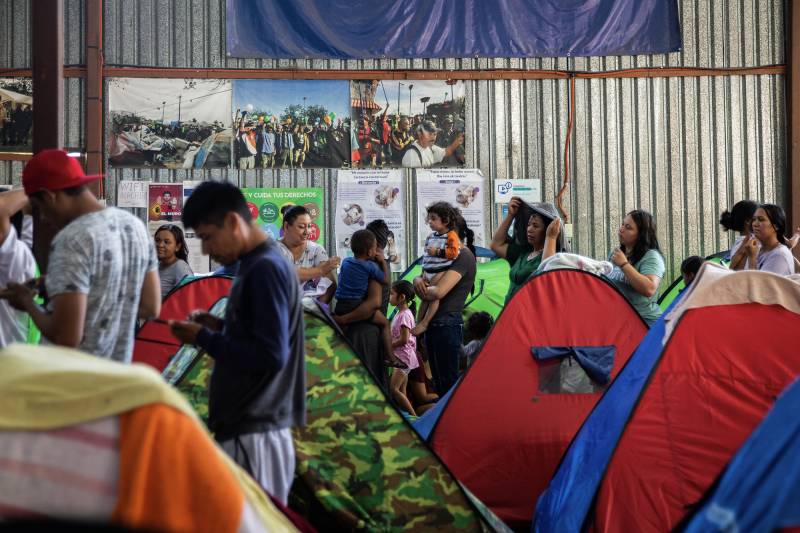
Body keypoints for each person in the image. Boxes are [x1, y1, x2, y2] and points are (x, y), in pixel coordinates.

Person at [168, 181, 305, 505]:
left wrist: (203, 338)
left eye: (207, 237)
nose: (206, 250)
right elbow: (264, 334)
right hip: (253, 427)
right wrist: (221, 325)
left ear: (232, 222)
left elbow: (270, 355)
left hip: (254, 430)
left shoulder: (265, 269)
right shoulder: (259, 264)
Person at [2, 149, 161, 362]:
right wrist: (59, 285)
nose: (44, 218)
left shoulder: (72, 240)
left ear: (50, 196)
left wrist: (27, 301)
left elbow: (66, 338)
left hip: (70, 381)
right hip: (115, 377)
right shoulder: (134, 226)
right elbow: (151, 307)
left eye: (39, 208)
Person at [413, 213, 476, 395]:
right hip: (433, 325)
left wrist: (424, 287)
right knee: (438, 382)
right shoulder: (441, 257)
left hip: (447, 323)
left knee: (448, 382)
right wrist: (417, 280)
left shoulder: (464, 256)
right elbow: (424, 277)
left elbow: (439, 291)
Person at [332, 229, 401, 368]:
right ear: (370, 252)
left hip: (340, 305)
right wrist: (382, 262)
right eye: (375, 248)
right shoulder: (370, 266)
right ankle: (390, 357)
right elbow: (386, 281)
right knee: (385, 323)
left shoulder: (346, 262)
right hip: (355, 305)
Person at [491, 197, 565, 304]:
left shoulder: (553, 258)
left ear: (547, 230)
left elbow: (546, 273)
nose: (529, 229)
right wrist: (510, 215)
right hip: (510, 314)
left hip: (529, 316)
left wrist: (551, 237)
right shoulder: (523, 253)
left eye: (535, 226)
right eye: (529, 225)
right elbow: (496, 245)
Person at [606, 209, 665, 326]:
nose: (621, 229)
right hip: (619, 322)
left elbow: (649, 289)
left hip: (644, 323)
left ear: (641, 234)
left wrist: (624, 265)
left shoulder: (651, 257)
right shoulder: (616, 255)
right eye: (622, 224)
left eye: (628, 227)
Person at [413, 202, 461, 336]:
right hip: (428, 271)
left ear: (445, 221)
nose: (429, 222)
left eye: (433, 219)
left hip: (440, 270)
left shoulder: (451, 235)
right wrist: (422, 273)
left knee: (433, 297)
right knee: (424, 298)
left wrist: (438, 252)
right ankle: (419, 322)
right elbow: (426, 257)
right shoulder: (430, 237)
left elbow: (454, 253)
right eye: (429, 218)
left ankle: (425, 322)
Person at [277, 205, 339, 302]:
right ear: (286, 226)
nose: (307, 232)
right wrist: (321, 270)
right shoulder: (274, 249)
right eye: (301, 227)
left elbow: (330, 285)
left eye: (309, 226)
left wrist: (315, 311)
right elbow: (288, 274)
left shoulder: (316, 250)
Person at [0, 189, 36, 348]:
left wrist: (34, 187)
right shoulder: (23, 253)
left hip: (9, 361)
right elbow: (28, 218)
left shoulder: (15, 257)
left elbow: (1, 206)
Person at [388, 280, 420, 416]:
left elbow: (404, 339)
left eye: (391, 294)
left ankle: (414, 417)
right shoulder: (400, 313)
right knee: (401, 390)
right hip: (402, 356)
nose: (389, 297)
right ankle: (406, 416)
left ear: (402, 297)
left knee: (393, 389)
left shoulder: (404, 315)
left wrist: (388, 346)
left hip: (404, 357)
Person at [744, 204, 795, 276]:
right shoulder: (756, 249)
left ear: (776, 226)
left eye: (761, 219)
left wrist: (752, 259)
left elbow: (758, 286)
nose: (755, 224)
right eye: (754, 219)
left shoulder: (779, 255)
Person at [154, 224, 193, 296]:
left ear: (177, 247)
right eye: (157, 240)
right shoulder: (156, 265)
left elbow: (189, 298)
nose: (160, 245)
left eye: (166, 242)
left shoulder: (180, 268)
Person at [719, 200, 758, 270]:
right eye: (757, 218)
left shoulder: (745, 242)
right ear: (748, 221)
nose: (759, 222)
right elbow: (737, 270)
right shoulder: (746, 243)